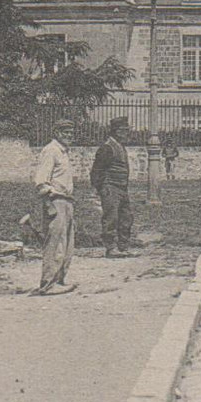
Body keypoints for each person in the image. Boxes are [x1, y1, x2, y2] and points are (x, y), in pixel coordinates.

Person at [30, 120, 78, 296]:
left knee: (67, 243)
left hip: (67, 201)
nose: (69, 135)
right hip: (55, 200)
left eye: (71, 132)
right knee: (55, 243)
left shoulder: (64, 152)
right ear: (56, 132)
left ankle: (59, 280)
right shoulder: (51, 151)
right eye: (65, 132)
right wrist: (48, 204)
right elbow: (41, 182)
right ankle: (48, 283)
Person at [89, 118, 139, 258]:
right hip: (110, 187)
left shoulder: (120, 146)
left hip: (122, 188)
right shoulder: (107, 148)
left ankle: (123, 247)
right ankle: (110, 248)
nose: (127, 134)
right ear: (117, 132)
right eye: (125, 131)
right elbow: (97, 170)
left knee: (126, 218)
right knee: (111, 218)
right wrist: (101, 188)